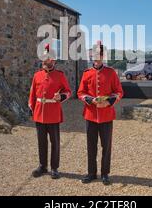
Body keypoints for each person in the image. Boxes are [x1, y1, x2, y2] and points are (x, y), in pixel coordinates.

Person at [77, 41, 124, 186]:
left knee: (106, 146)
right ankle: (91, 173)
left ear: (103, 56)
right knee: (91, 146)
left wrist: (108, 102)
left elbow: (119, 92)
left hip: (106, 115)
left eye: (99, 54)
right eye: (94, 54)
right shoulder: (87, 74)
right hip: (90, 115)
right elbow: (80, 92)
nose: (96, 57)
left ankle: (105, 174)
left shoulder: (111, 73)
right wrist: (90, 100)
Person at [28, 44, 72, 179]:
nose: (44, 61)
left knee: (55, 142)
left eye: (47, 59)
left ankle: (54, 168)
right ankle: (42, 166)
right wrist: (32, 108)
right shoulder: (37, 75)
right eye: (43, 58)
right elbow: (32, 94)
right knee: (41, 142)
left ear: (53, 60)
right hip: (39, 113)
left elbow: (68, 91)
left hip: (53, 113)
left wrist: (61, 97)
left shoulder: (60, 75)